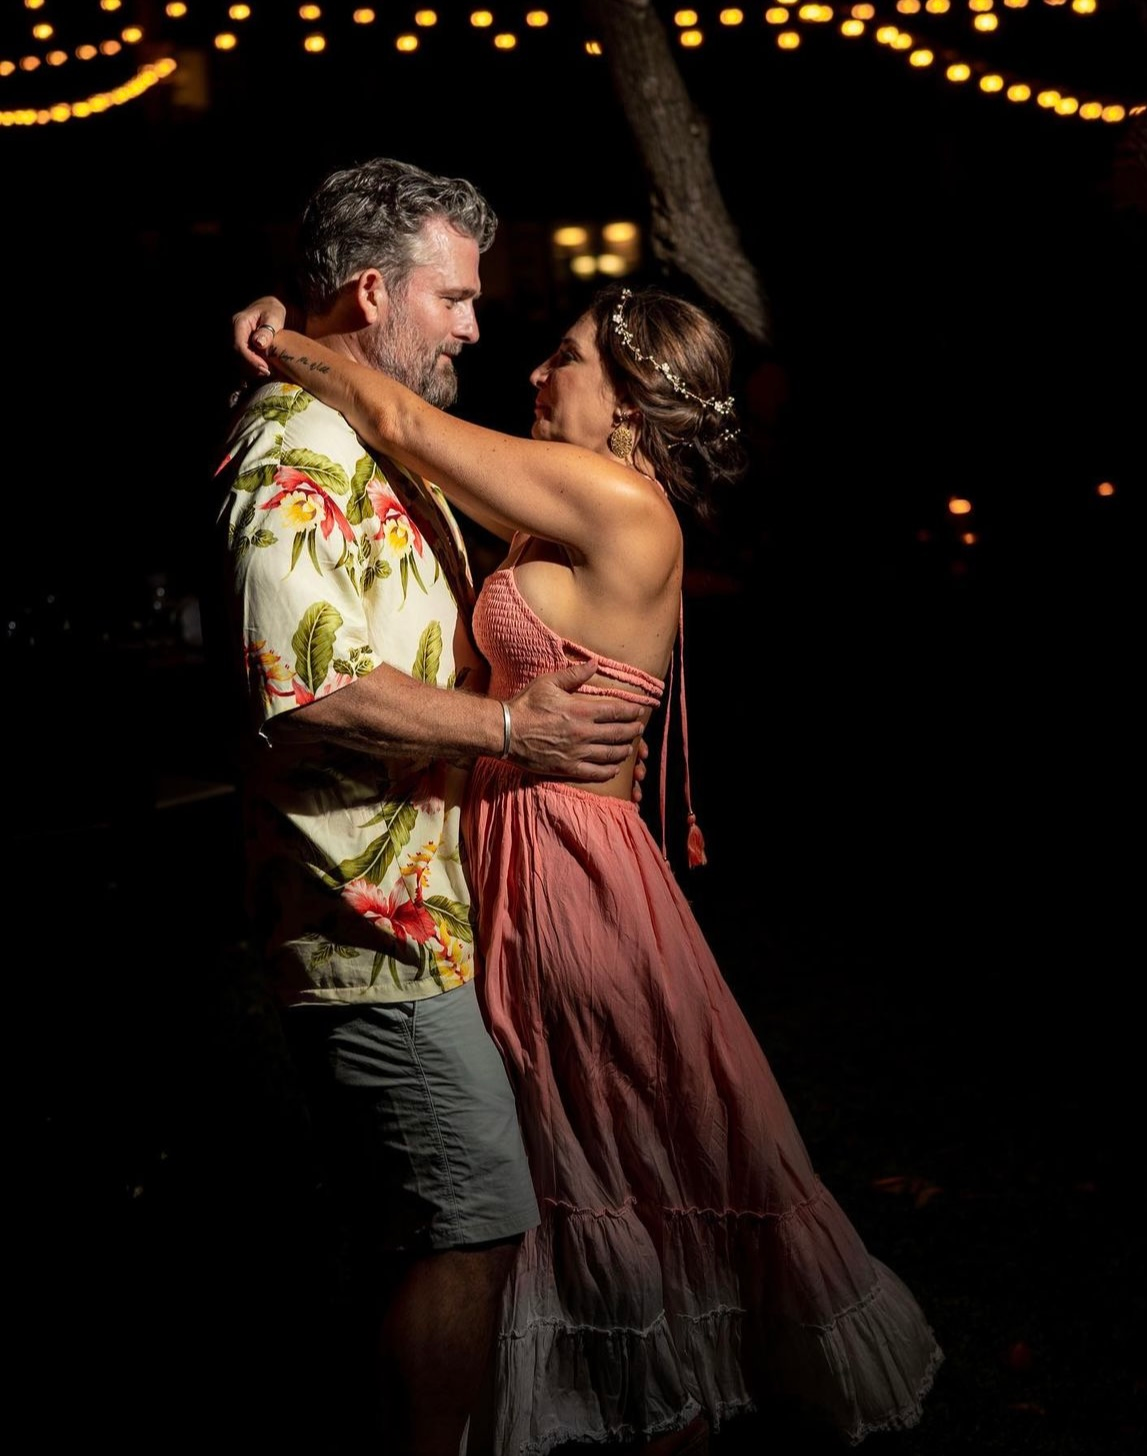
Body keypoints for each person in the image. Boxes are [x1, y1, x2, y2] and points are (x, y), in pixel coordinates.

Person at [233, 277, 944, 1455]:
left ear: (629, 401)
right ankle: (626, 1408)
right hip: (521, 854)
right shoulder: (565, 505)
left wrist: (285, 338)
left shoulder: (618, 499)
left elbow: (407, 426)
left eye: (564, 358)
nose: (533, 372)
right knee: (578, 1154)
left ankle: (662, 1414)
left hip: (570, 869)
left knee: (613, 1152)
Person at [213, 158, 649, 1456]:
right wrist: (514, 729)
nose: (475, 323)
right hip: (367, 928)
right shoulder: (290, 449)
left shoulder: (363, 423)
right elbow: (298, 690)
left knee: (438, 1227)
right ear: (372, 291)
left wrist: (284, 332)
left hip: (443, 918)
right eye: (454, 300)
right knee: (470, 1220)